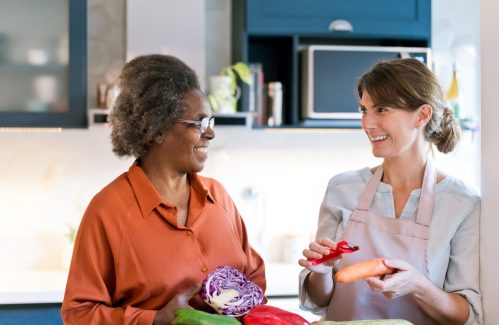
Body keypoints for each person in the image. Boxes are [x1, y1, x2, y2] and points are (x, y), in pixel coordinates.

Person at [61, 54, 266, 324]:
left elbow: (255, 282)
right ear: (157, 128)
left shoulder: (220, 198)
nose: (211, 133)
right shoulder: (108, 211)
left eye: (211, 122)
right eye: (200, 123)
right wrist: (154, 319)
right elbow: (78, 314)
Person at [298, 58, 481, 325]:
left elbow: (467, 315)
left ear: (422, 115)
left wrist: (418, 286)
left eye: (381, 110)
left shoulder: (461, 203)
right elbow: (319, 299)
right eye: (364, 110)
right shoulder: (342, 189)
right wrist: (322, 271)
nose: (367, 124)